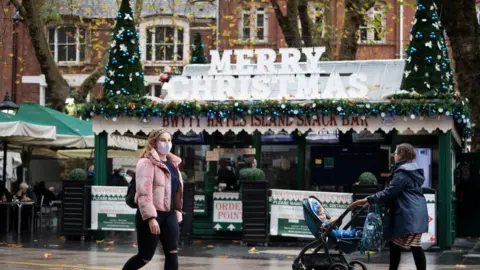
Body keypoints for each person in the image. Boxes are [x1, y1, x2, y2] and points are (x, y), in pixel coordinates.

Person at [352, 143, 428, 270]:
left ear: (401, 155)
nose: (394, 155)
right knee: (411, 245)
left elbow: (390, 192)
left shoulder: (402, 173)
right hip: (416, 212)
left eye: (396, 152)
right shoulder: (412, 171)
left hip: (408, 213)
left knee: (400, 244)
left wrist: (370, 199)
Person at [122, 129, 183, 270]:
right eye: (163, 140)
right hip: (151, 215)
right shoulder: (146, 163)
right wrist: (150, 218)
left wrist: (178, 210)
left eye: (169, 140)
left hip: (170, 214)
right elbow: (144, 193)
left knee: (173, 253)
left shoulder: (173, 164)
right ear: (154, 142)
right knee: (145, 257)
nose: (167, 144)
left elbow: (176, 191)